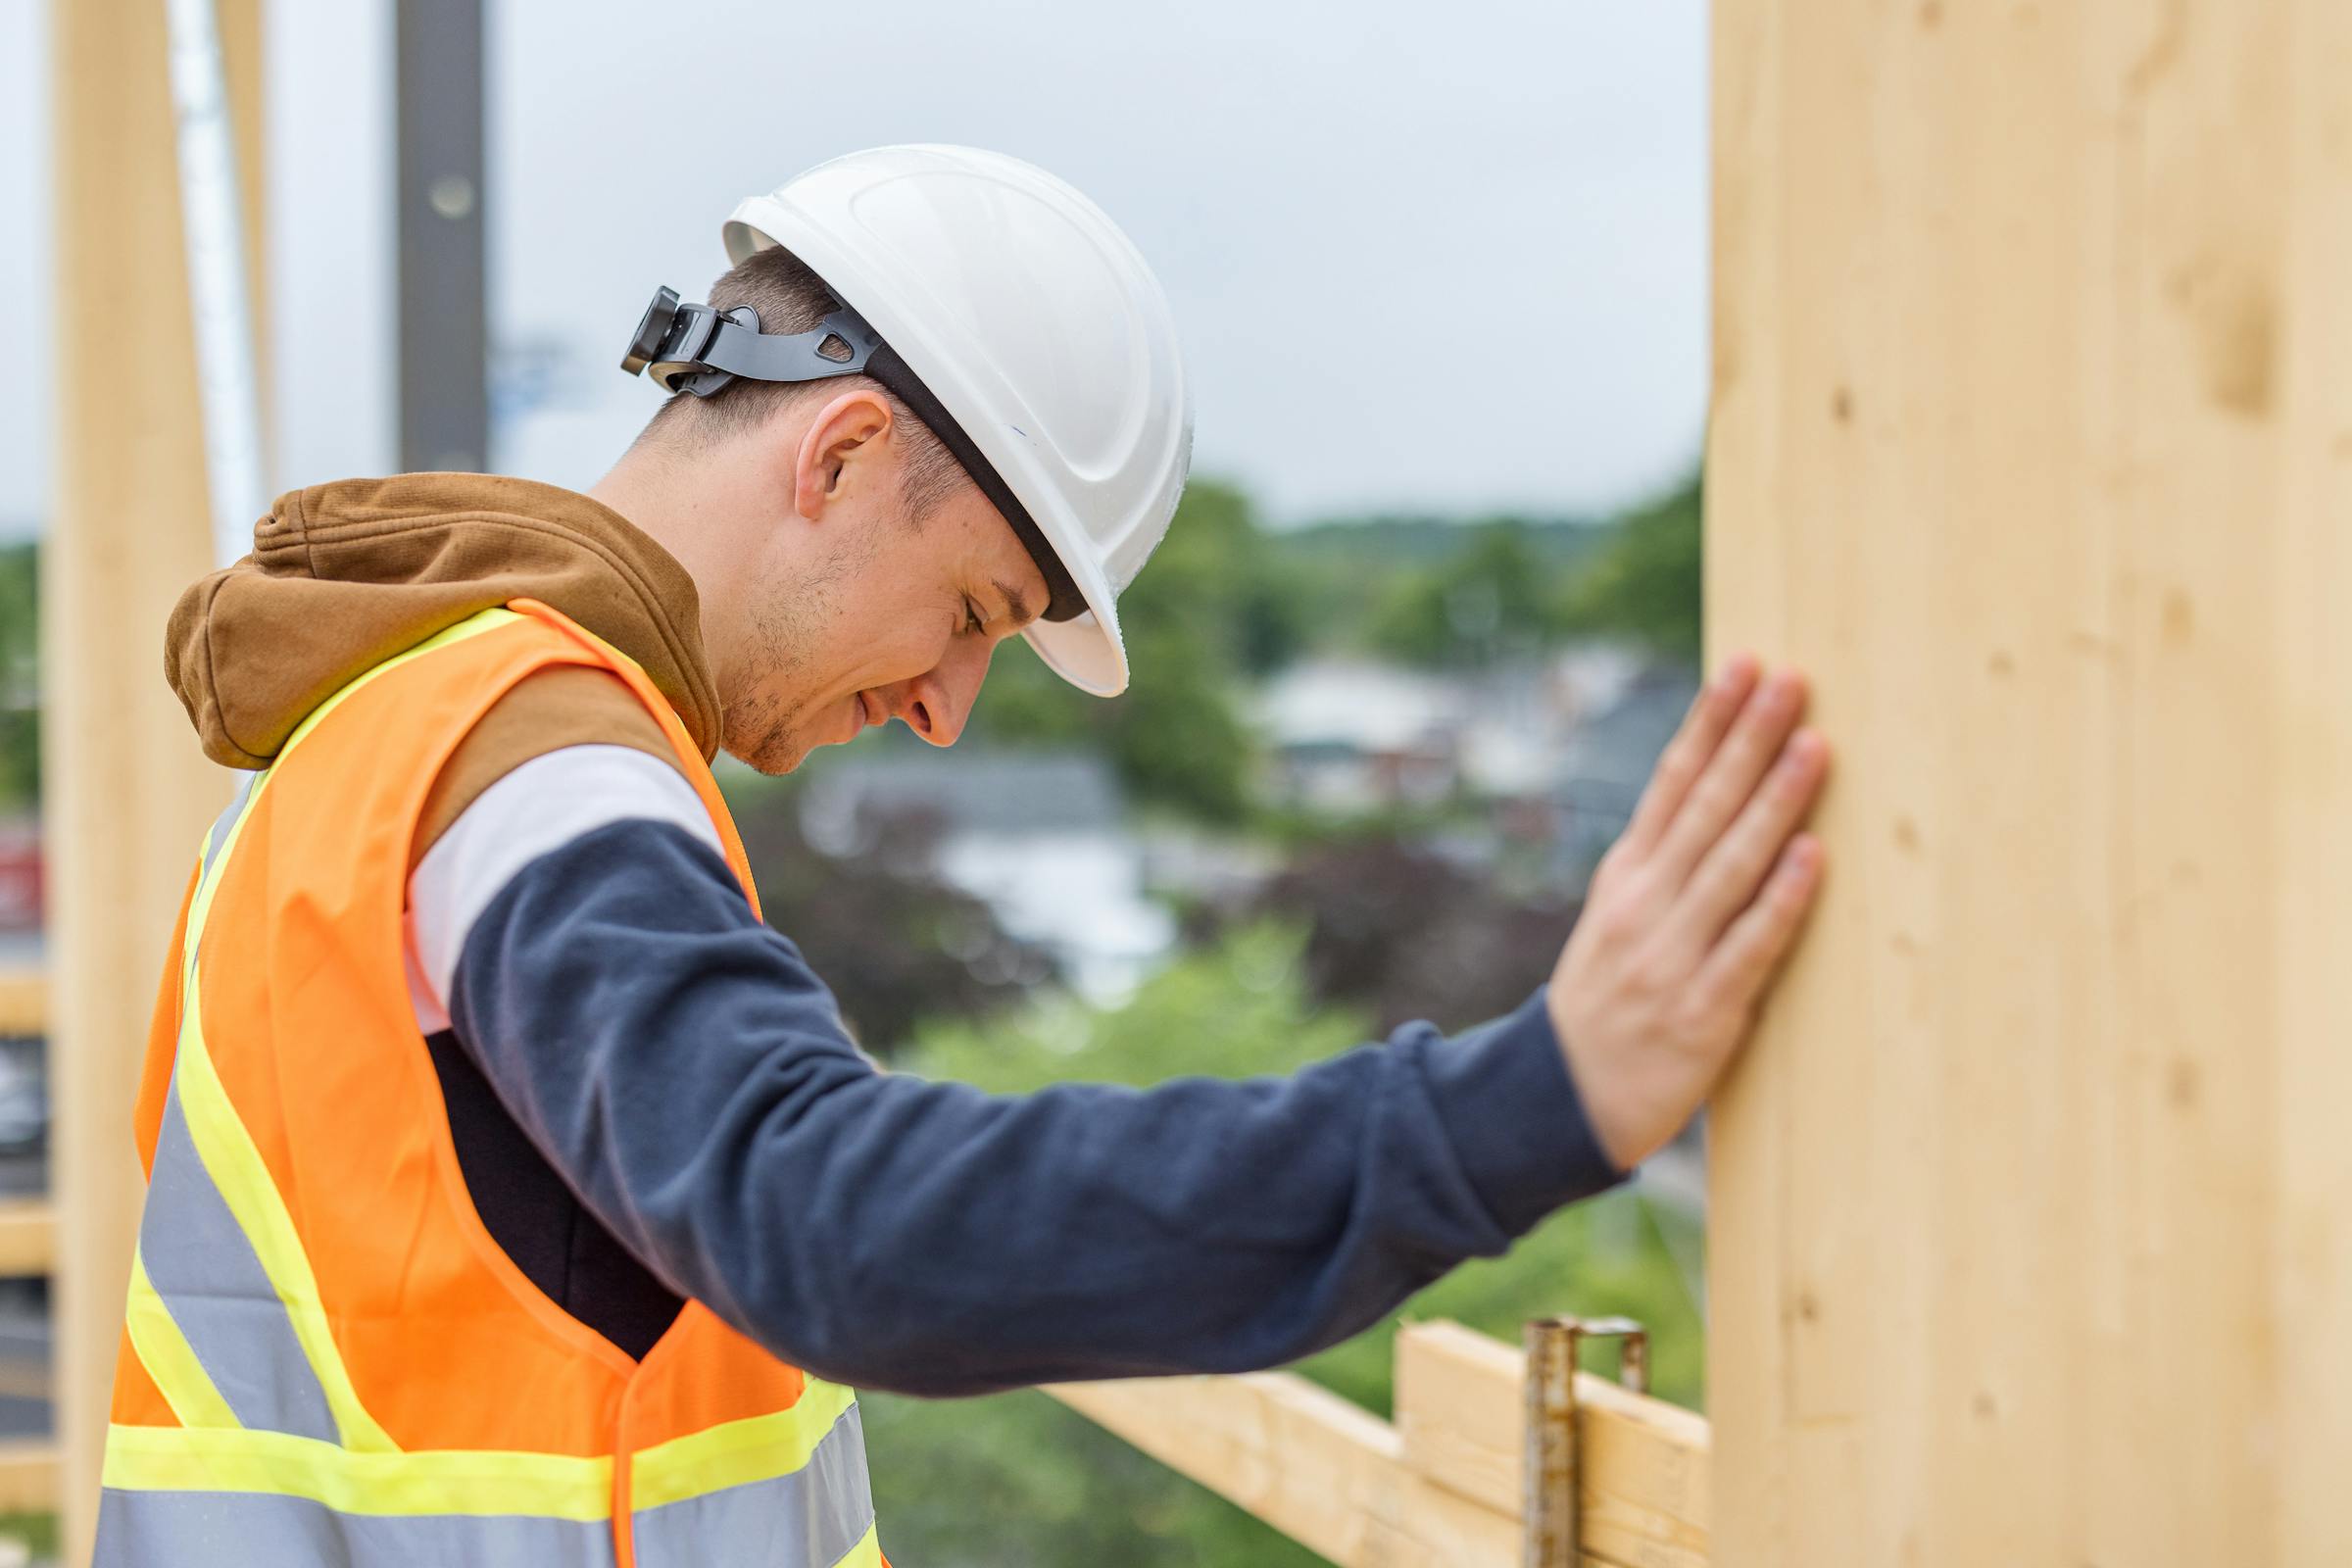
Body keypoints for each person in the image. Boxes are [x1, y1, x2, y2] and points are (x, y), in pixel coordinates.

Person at [96, 146, 1828, 1567]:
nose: (943, 708)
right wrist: (1537, 1101)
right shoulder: (534, 764)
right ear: (840, 455)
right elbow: (829, 1219)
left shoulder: (391, 738)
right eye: (976, 612)